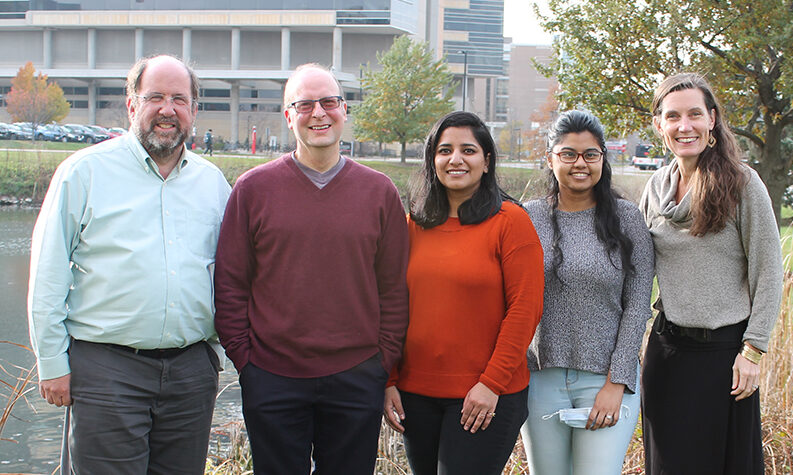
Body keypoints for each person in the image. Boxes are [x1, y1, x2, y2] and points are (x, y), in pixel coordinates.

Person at [27, 54, 231, 474]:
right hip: (106, 370)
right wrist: (52, 364)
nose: (167, 109)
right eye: (155, 96)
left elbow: (230, 275)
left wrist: (215, 354)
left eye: (179, 98)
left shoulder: (213, 184)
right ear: (132, 104)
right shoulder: (82, 173)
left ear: (194, 110)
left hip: (191, 373)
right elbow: (48, 274)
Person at [213, 63, 409, 475]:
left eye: (329, 101)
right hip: (272, 374)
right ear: (288, 116)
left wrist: (382, 361)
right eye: (304, 104)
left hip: (357, 374)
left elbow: (393, 287)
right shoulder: (252, 190)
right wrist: (246, 362)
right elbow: (231, 284)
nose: (318, 113)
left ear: (343, 110)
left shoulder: (379, 192)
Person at [383, 111, 544, 474]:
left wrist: (491, 384)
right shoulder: (412, 225)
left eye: (468, 150)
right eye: (445, 150)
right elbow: (390, 303)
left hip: (485, 395)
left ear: (486, 162)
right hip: (415, 394)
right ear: (432, 161)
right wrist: (389, 378)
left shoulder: (511, 222)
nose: (455, 159)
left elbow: (525, 308)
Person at [640, 72, 783, 474]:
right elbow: (633, 268)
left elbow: (769, 271)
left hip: (725, 359)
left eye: (694, 115)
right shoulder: (654, 188)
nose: (684, 126)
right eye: (673, 117)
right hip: (666, 356)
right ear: (659, 125)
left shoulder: (742, 183)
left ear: (712, 120)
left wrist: (753, 350)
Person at [520, 110, 654, 474]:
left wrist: (617, 382)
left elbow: (639, 304)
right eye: (568, 154)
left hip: (605, 382)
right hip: (539, 379)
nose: (580, 163)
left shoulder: (627, 220)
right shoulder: (527, 218)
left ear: (602, 159)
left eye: (590, 154)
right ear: (550, 158)